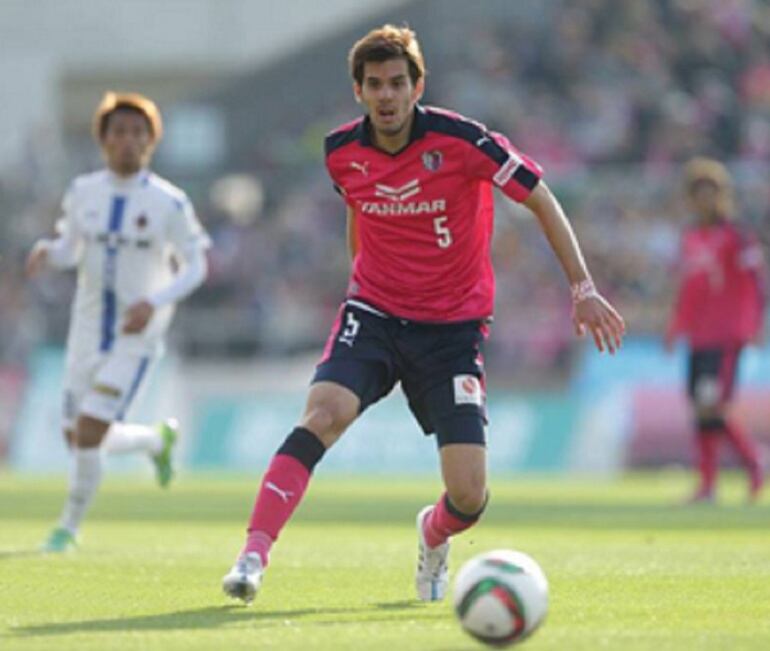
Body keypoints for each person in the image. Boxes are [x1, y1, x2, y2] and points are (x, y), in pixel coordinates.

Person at [222, 25, 625, 604]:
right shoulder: (341, 153)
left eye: (396, 83)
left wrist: (582, 287)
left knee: (468, 496)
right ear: (358, 91)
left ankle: (433, 534)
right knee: (323, 414)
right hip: (376, 314)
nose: (386, 95)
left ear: (417, 86)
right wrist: (361, 277)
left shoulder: (463, 141)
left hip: (453, 332)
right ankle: (253, 554)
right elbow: (358, 212)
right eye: (374, 85)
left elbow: (539, 195)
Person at [26, 91, 211, 552]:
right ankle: (154, 442)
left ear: (151, 141)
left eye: (137, 132)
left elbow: (196, 266)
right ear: (103, 140)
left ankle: (66, 528)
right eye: (118, 132)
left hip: (136, 335)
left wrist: (155, 299)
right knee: (80, 439)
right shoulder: (83, 191)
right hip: (86, 331)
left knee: (90, 430)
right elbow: (72, 249)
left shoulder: (169, 202)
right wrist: (50, 251)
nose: (127, 140)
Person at [665, 157, 766, 504]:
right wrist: (676, 328)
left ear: (723, 196)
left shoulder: (737, 237)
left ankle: (746, 467)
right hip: (699, 337)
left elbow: (756, 283)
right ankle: (717, 482)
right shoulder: (691, 238)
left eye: (712, 193)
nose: (706, 201)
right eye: (699, 194)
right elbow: (689, 289)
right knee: (701, 407)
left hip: (727, 335)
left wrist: (753, 324)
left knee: (713, 407)